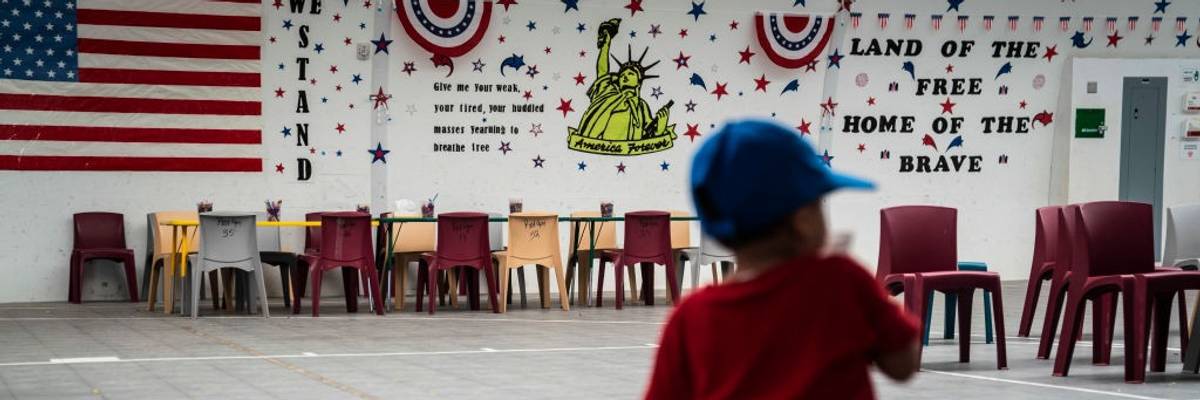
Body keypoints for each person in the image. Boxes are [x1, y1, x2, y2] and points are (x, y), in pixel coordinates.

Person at [645, 119, 920, 399]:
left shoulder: (690, 318)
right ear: (803, 220)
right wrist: (871, 301)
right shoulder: (841, 280)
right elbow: (903, 364)